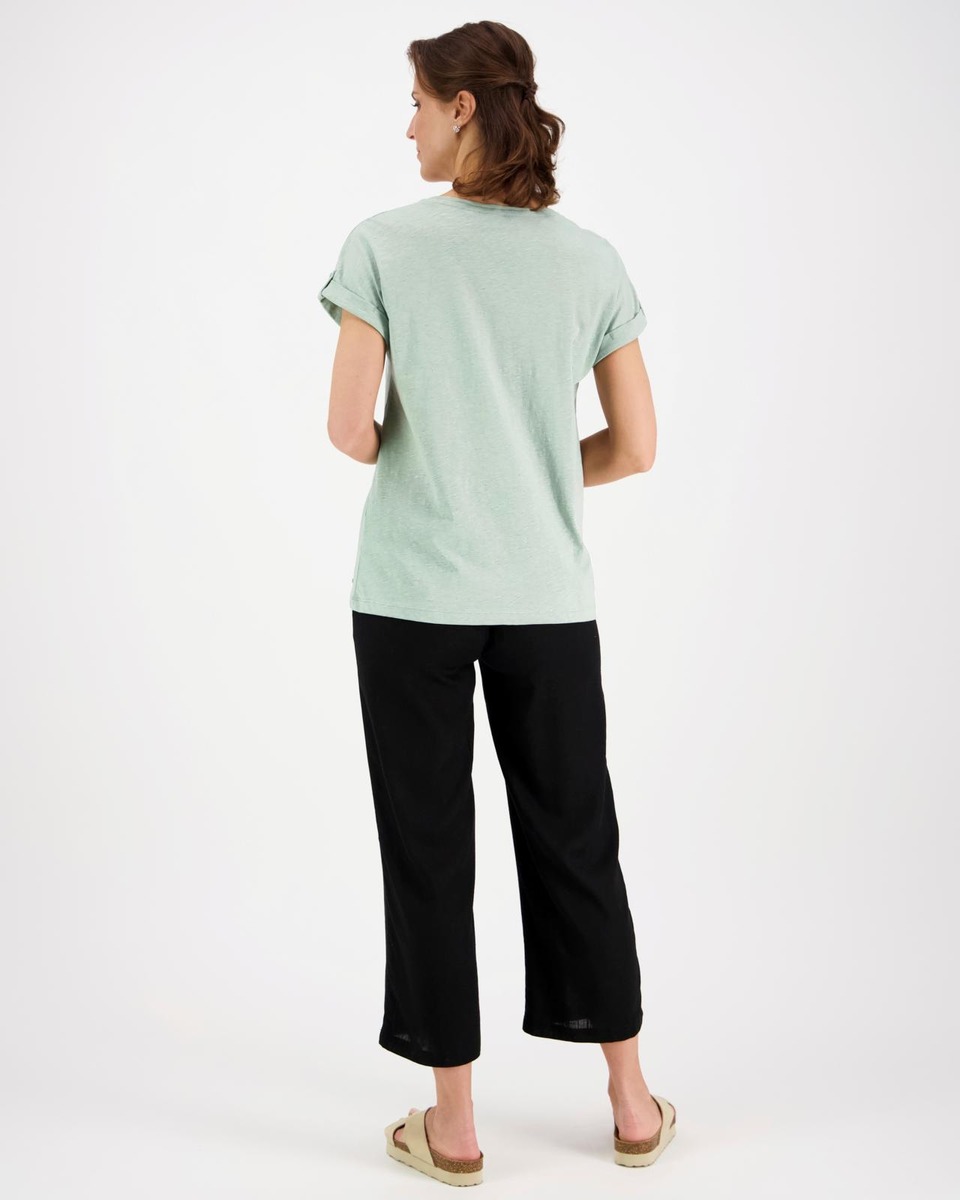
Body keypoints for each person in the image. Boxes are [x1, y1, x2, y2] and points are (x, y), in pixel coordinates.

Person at [317, 19, 675, 1186]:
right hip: (547, 601)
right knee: (577, 837)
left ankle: (457, 1127)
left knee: (428, 849)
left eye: (418, 103)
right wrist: (525, 471)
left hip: (411, 597)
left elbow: (349, 431)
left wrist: (446, 461)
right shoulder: (590, 261)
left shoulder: (383, 245)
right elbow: (637, 447)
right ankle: (631, 1104)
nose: (407, 126)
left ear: (462, 107)